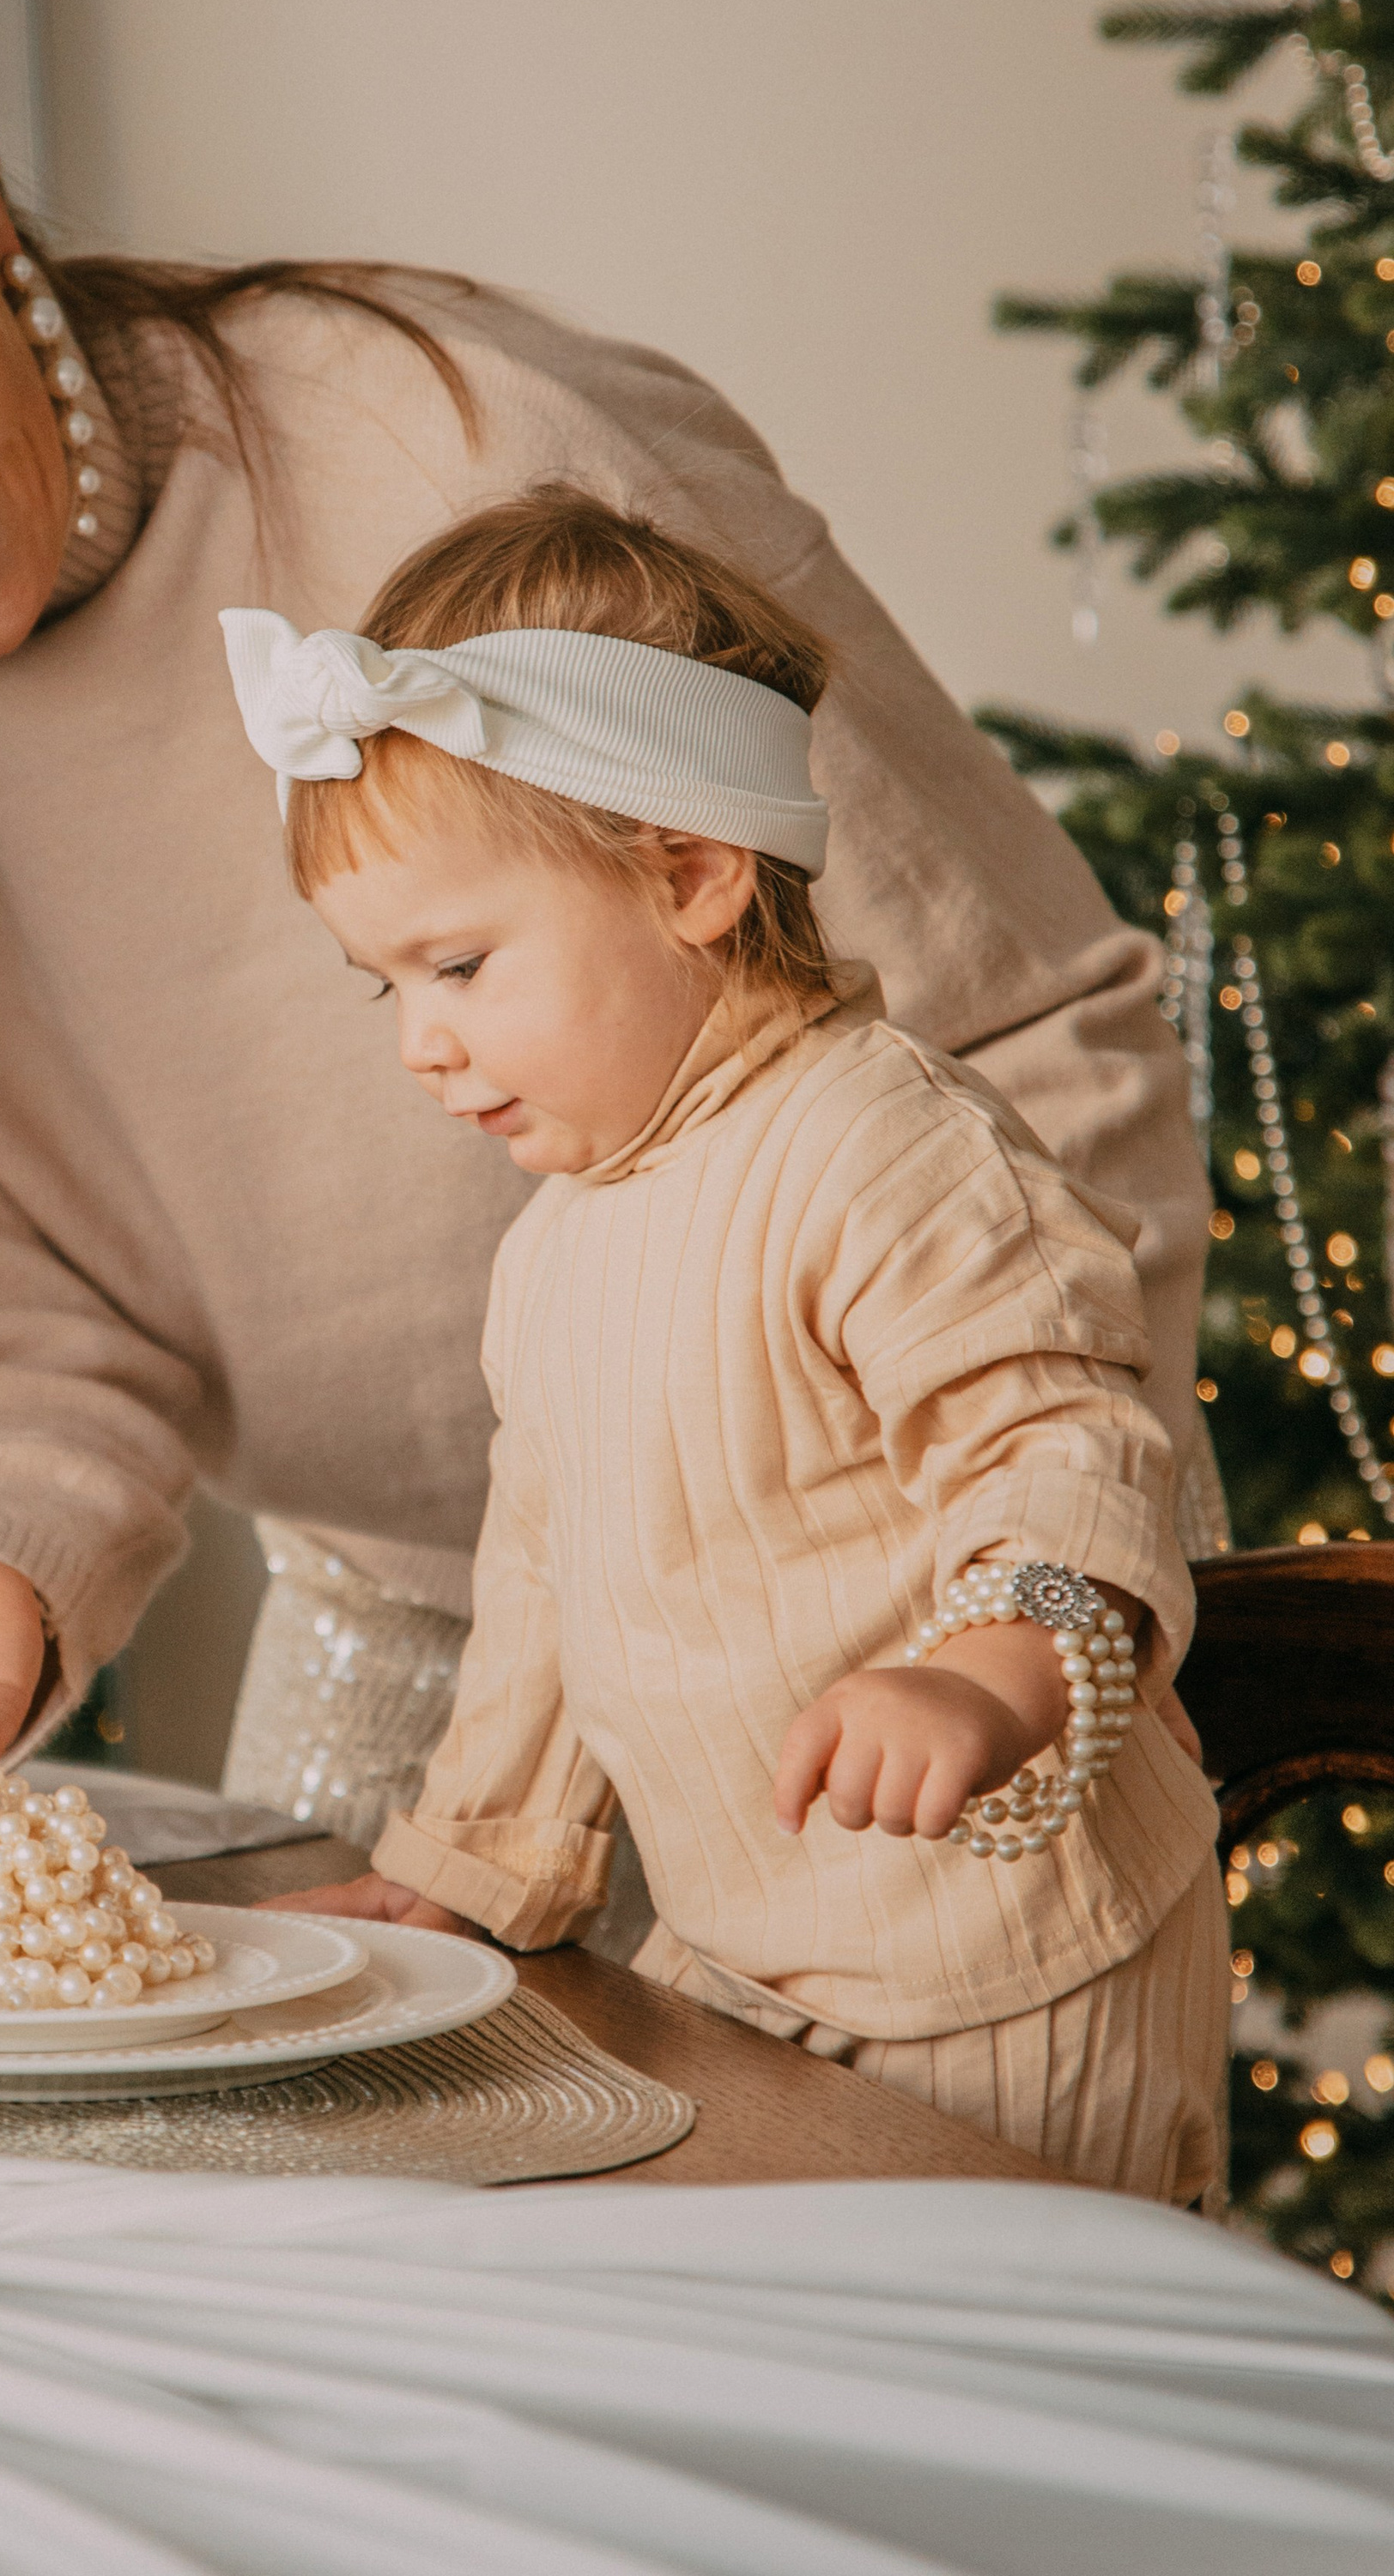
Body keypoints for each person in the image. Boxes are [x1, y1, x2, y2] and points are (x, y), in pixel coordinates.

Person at [0, 0, 1213, 1834]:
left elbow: (1024, 1034)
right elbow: (6, 1331)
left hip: (911, 1559)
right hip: (428, 1615)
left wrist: (1013, 1592)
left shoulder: (457, 453)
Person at [238, 490, 1225, 2198]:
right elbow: (545, 1585)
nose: (419, 1040)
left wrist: (993, 1662)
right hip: (742, 1956)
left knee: (1008, 2373)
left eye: (457, 961)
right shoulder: (556, 1243)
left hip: (1001, 1968)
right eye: (380, 984)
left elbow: (1059, 1443)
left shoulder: (884, 1149)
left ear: (688, 873)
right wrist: (464, 1865)